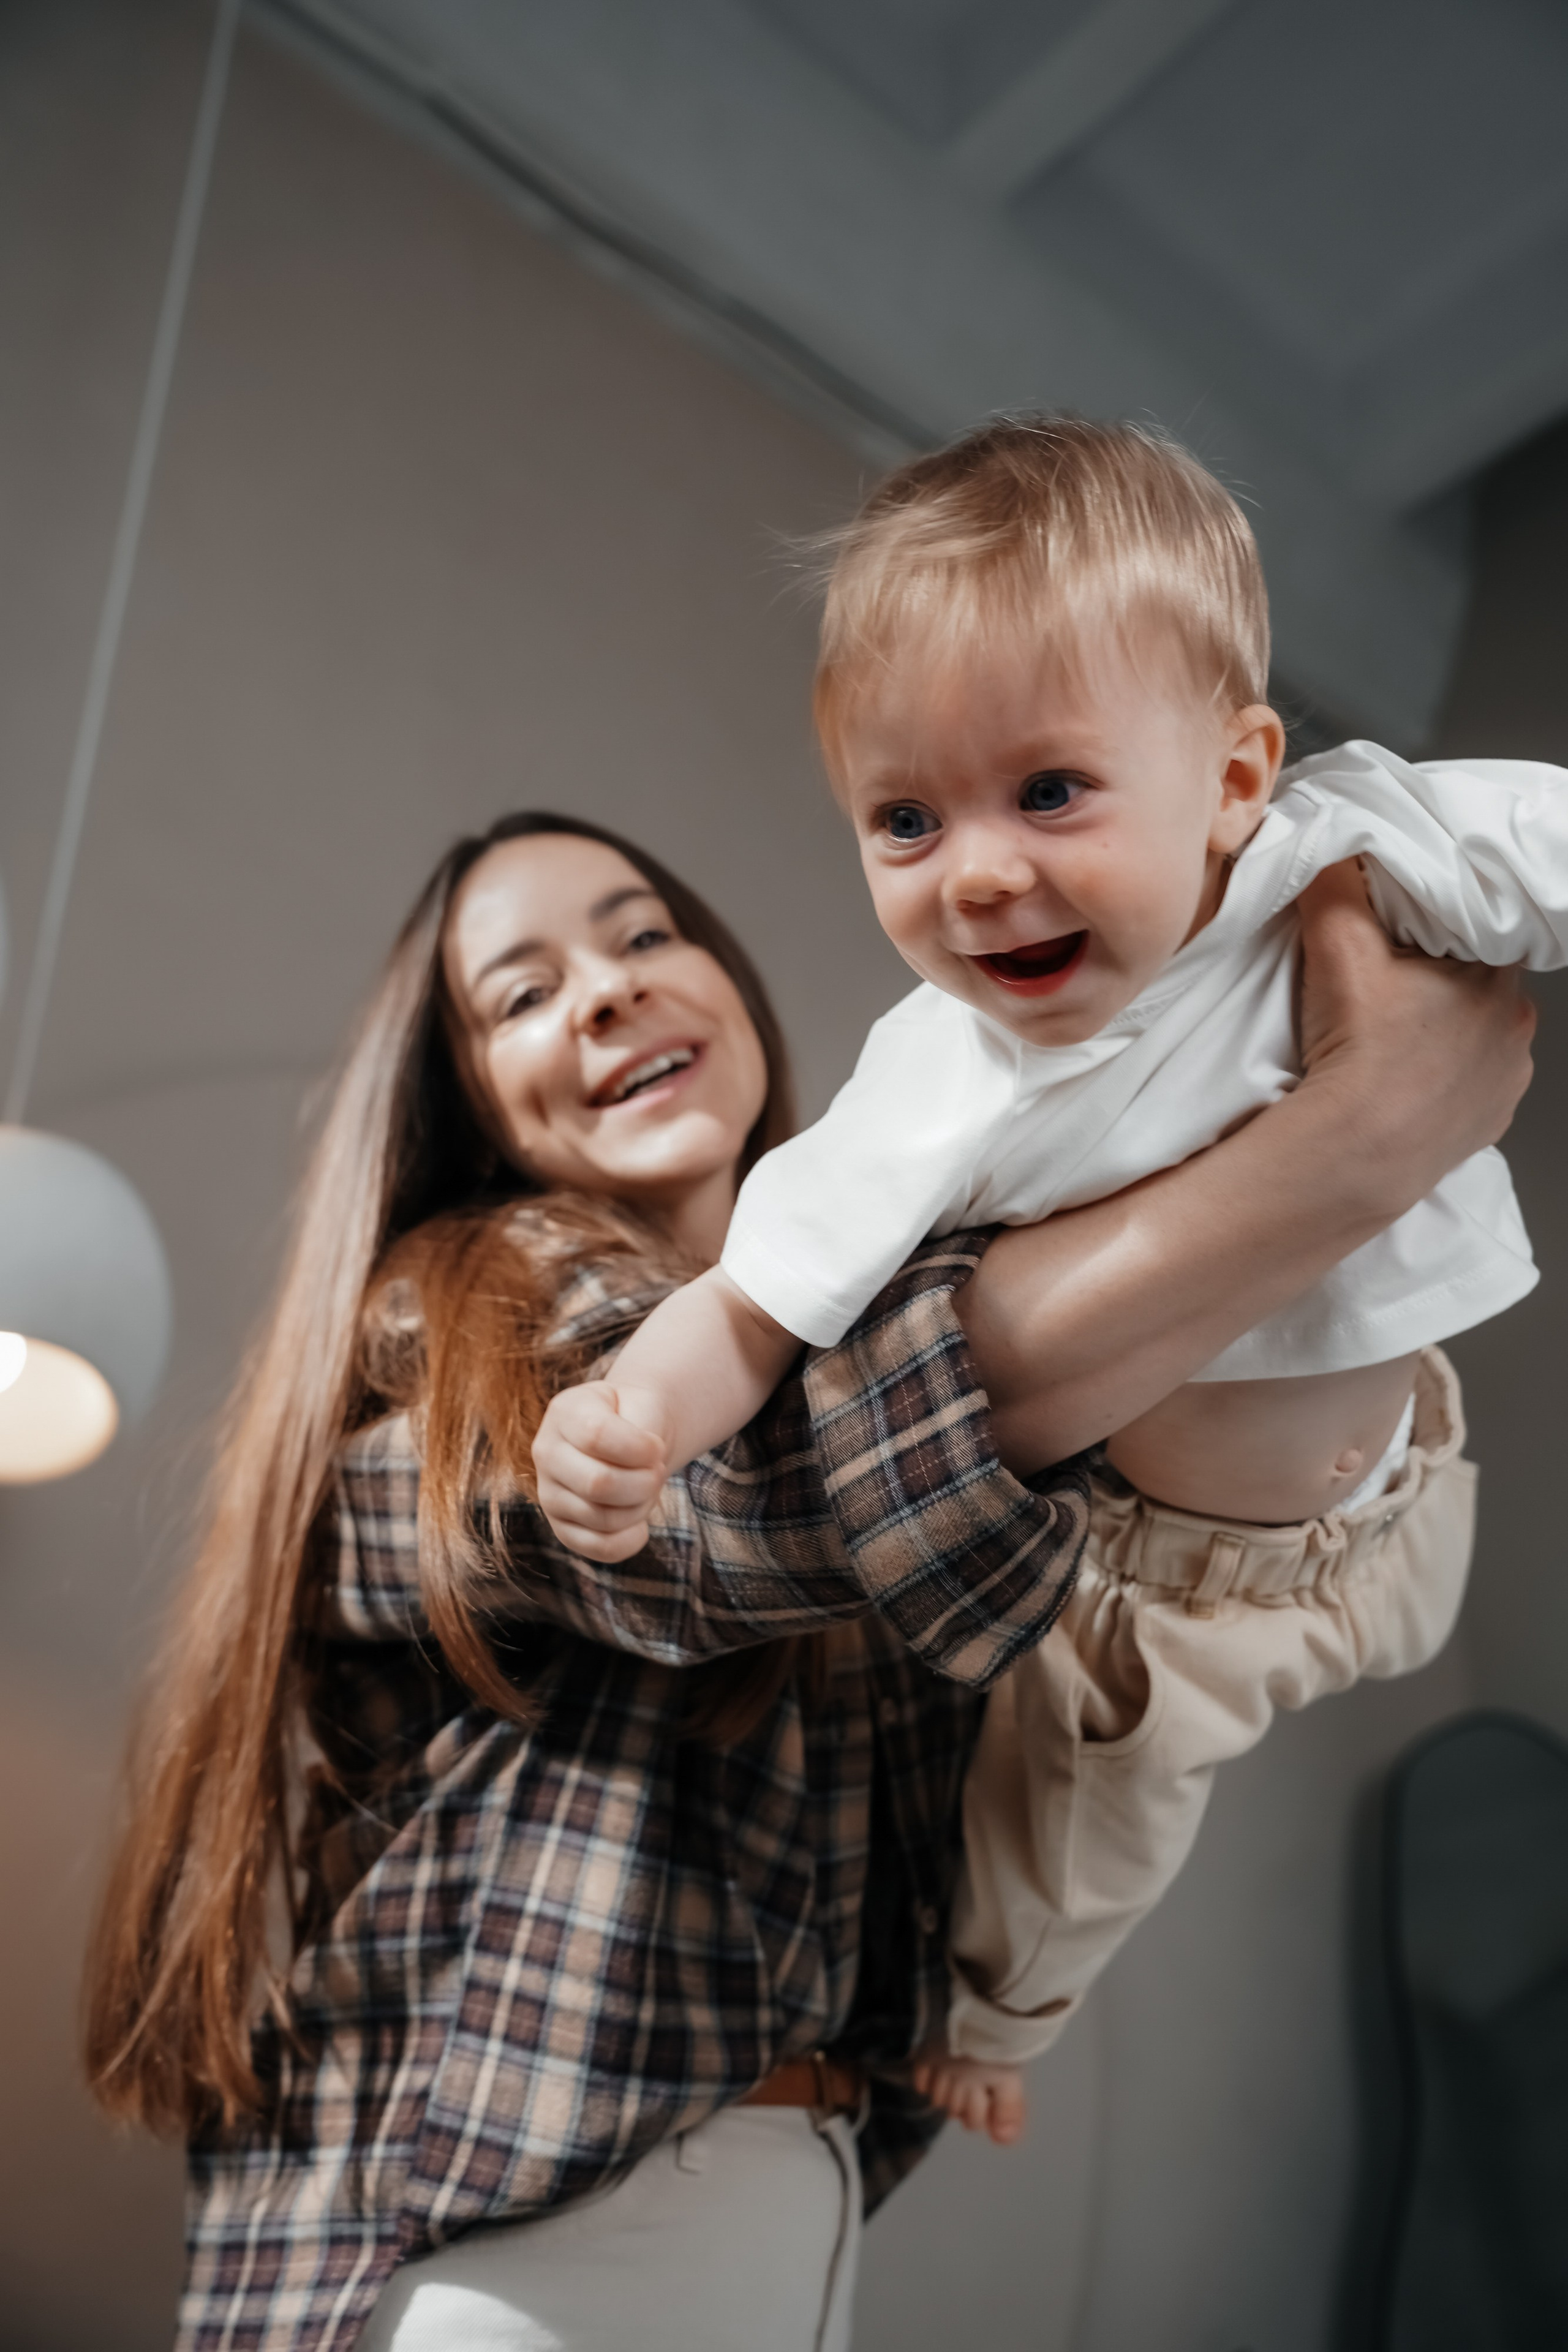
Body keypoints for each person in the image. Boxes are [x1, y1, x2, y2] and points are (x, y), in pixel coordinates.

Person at [83, 808, 1528, 2352]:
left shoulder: (889, 1275)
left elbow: (1164, 1595)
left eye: (644, 935)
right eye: (523, 994)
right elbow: (747, 1507)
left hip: (787, 2213)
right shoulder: (445, 1352)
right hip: (515, 2249)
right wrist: (1338, 1153)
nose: (609, 989)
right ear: (471, 1109)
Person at [532, 417, 1568, 2141]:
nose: (980, 873)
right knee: (1081, 1840)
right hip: (1177, 1599)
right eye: (905, 819)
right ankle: (999, 2020)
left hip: (1415, 1489)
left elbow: (1547, 844)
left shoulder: (1347, 851)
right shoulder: (940, 1079)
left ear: (1235, 777)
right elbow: (752, 1305)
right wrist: (627, 1419)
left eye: (1048, 792)